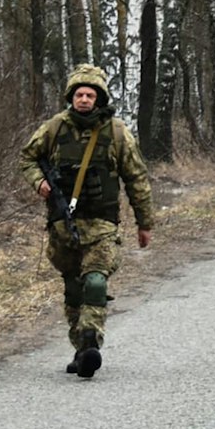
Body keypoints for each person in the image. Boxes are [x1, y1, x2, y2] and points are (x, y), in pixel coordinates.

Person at [20, 64, 156, 381]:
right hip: (63, 226)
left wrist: (144, 222)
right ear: (71, 97)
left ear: (99, 99)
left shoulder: (117, 133)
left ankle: (91, 340)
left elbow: (137, 178)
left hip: (102, 224)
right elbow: (27, 157)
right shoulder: (54, 128)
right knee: (73, 289)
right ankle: (81, 349)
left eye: (90, 95)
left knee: (94, 282)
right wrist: (39, 182)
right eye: (79, 94)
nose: (83, 100)